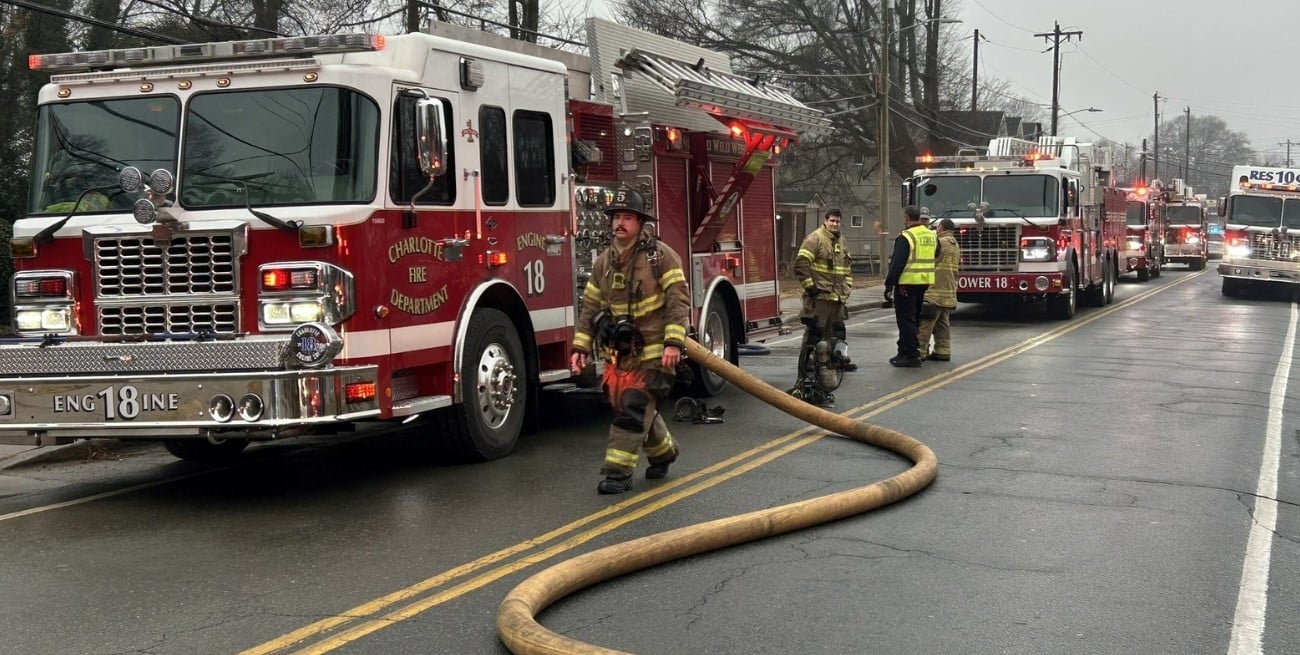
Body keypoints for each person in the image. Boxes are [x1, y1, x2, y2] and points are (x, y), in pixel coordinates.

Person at [571, 186, 689, 495]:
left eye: (627, 217)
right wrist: (580, 347)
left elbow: (678, 300)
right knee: (634, 407)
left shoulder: (660, 256)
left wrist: (674, 343)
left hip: (655, 353)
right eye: (616, 217)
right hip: (621, 355)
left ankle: (617, 474)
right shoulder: (603, 263)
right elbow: (591, 308)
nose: (619, 223)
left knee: (633, 407)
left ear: (640, 222)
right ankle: (664, 452)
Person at [790, 209, 856, 394]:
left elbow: (847, 269)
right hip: (819, 299)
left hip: (836, 299)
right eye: (832, 221)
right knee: (813, 339)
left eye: (838, 221)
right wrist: (811, 288)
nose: (835, 224)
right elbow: (801, 265)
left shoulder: (842, 241)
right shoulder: (814, 239)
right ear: (825, 221)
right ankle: (802, 380)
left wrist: (847, 289)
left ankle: (826, 380)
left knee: (834, 340)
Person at [883, 205, 938, 367]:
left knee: (906, 320)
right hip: (923, 282)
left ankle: (911, 354)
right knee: (913, 318)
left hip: (906, 283)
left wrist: (889, 285)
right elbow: (935, 253)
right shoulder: (931, 235)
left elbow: (897, 264)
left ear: (906, 218)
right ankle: (904, 352)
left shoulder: (905, 237)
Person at [917, 217, 959, 361]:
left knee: (926, 324)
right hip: (949, 293)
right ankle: (943, 351)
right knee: (942, 323)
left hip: (934, 292)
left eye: (938, 227)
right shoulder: (955, 245)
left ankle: (920, 352)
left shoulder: (939, 242)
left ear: (941, 227)